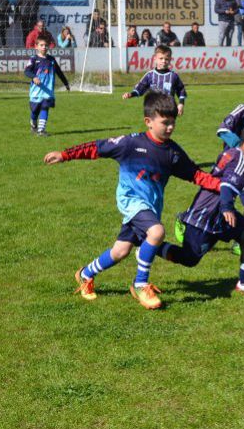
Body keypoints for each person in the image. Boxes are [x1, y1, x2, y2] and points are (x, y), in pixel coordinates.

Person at [44, 91, 222, 310]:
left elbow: (195, 175)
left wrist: (222, 186)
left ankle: (85, 274)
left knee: (120, 251)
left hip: (150, 207)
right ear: (148, 122)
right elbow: (96, 147)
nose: (170, 127)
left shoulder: (173, 153)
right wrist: (65, 154)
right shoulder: (130, 144)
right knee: (156, 232)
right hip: (132, 202)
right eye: (165, 122)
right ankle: (140, 285)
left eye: (173, 122)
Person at [157, 121, 244, 296]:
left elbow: (230, 173)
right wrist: (228, 207)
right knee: (189, 258)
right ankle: (152, 247)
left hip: (220, 213)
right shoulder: (240, 161)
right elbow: (227, 186)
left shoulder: (236, 154)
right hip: (205, 216)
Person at [189, 71, 244, 256]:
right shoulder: (243, 109)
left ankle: (240, 239)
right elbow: (222, 129)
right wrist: (242, 148)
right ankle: (187, 220)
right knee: (216, 196)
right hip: (231, 163)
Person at [122, 44, 188, 116]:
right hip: (153, 110)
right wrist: (131, 94)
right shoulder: (150, 75)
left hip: (169, 110)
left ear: (170, 60)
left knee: (168, 127)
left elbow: (181, 90)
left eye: (166, 59)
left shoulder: (174, 76)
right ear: (155, 59)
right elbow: (140, 89)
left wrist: (181, 104)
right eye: (161, 58)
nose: (164, 61)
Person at [25, 37, 70, 136]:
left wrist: (66, 83)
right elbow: (27, 71)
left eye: (45, 45)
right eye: (41, 45)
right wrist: (34, 77)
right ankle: (33, 123)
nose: (44, 47)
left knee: (45, 107)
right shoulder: (34, 59)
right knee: (35, 111)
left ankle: (41, 130)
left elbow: (59, 72)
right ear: (36, 47)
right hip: (36, 91)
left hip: (48, 91)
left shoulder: (51, 60)